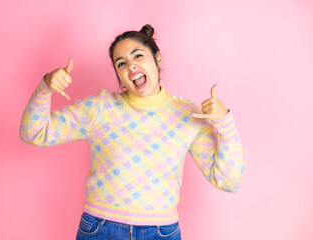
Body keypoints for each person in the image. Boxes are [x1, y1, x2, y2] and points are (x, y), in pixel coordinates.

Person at [19, 24, 244, 240]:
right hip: (100, 230)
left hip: (161, 232)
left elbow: (229, 181)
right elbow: (34, 132)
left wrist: (224, 122)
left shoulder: (188, 115)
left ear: (157, 58)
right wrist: (46, 86)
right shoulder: (100, 108)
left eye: (138, 56)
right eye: (121, 63)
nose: (130, 66)